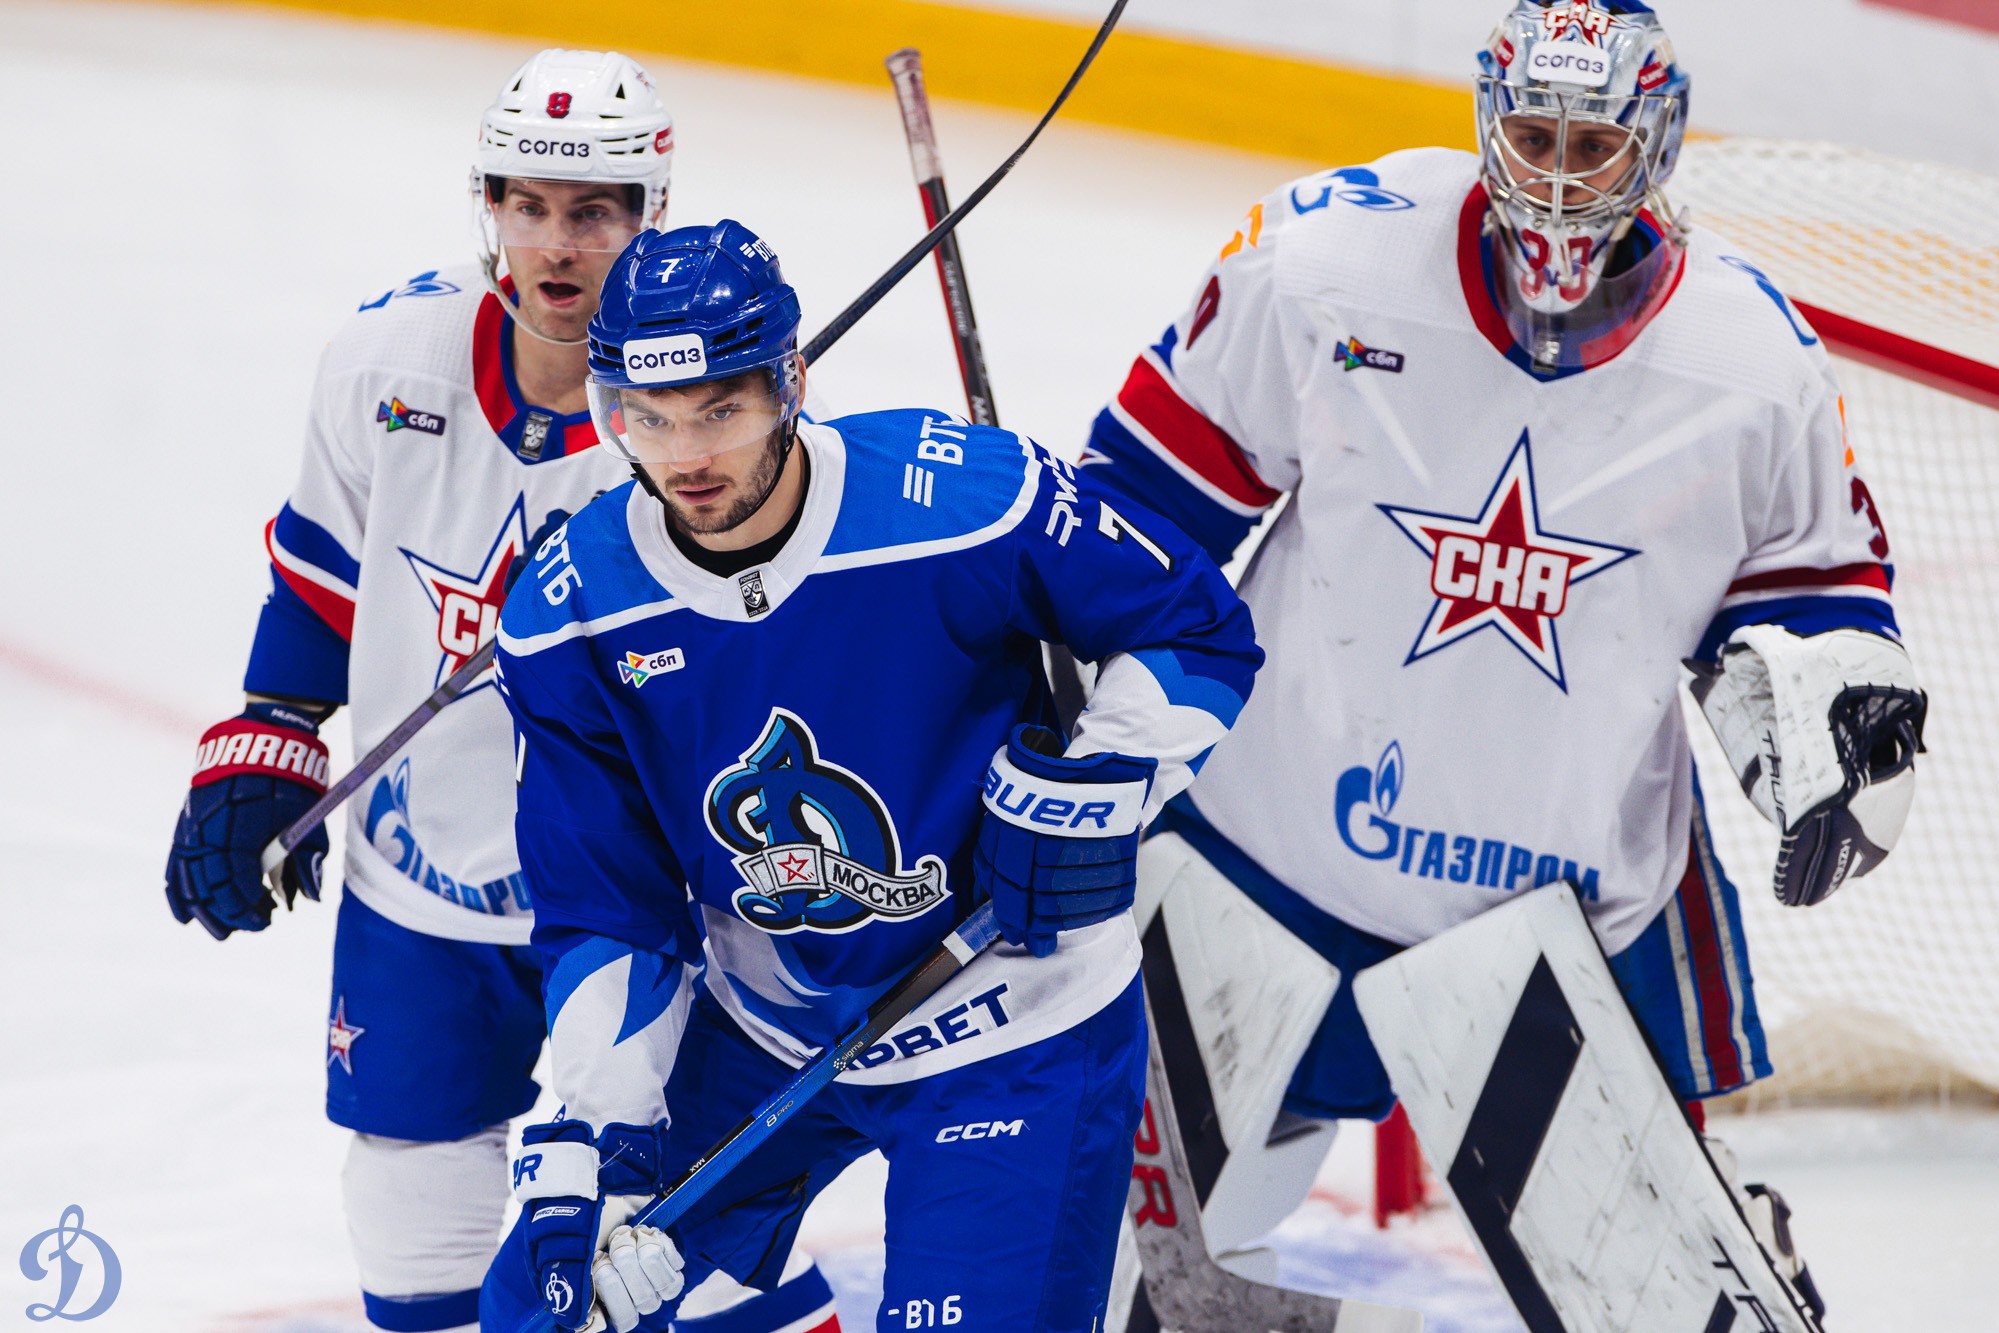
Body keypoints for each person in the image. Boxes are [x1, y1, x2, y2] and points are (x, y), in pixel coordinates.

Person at [1079, 0, 1926, 1322]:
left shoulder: (1752, 363)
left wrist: (1834, 734)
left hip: (1563, 905)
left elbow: (1813, 592)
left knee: (1667, 1312)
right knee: (1121, 1287)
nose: (1556, 180)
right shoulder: (1325, 260)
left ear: (1654, 144)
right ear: (1485, 123)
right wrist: (1074, 652)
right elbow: (1146, 501)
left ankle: (1716, 1218)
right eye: (1532, 138)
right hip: (1264, 861)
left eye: (1591, 147)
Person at [479, 218, 1261, 1333]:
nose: (685, 458)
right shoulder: (572, 613)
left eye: (719, 411)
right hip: (765, 1031)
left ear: (790, 385)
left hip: (1011, 1022)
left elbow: (1195, 628)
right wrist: (596, 1139)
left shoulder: (967, 500)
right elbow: (608, 906)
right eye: (646, 418)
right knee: (548, 1298)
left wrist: (1101, 780)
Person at [163, 50, 839, 1333]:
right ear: (489, 205)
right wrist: (269, 734)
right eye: (528, 205)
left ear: (649, 213)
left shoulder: (704, 419)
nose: (556, 244)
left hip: (636, 903)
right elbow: (321, 577)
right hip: (417, 891)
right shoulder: (387, 360)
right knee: (413, 1246)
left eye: (593, 211)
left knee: (671, 1260)